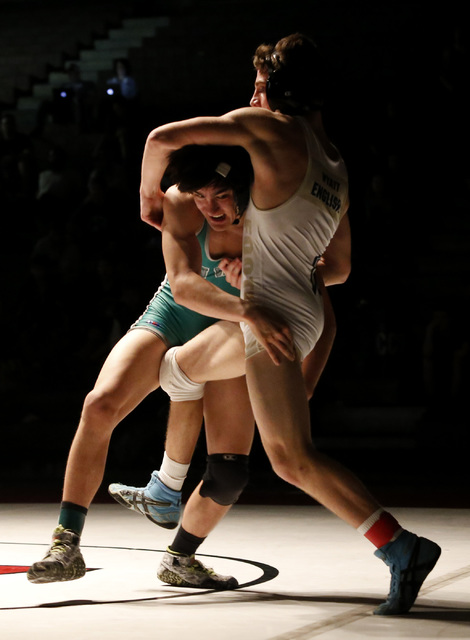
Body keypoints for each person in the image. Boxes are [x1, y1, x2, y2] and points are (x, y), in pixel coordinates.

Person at [137, 33, 441, 615]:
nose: (252, 96)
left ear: (277, 90)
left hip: (269, 317)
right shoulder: (336, 165)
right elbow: (340, 269)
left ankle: (400, 546)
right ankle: (169, 487)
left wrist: (149, 201)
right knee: (186, 373)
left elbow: (162, 138)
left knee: (286, 454)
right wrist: (259, 261)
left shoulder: (268, 130)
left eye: (259, 86)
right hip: (302, 310)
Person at [26, 143, 339, 589]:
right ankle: (66, 543)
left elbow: (323, 308)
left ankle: (180, 556)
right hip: (180, 312)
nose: (208, 208)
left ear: (246, 187)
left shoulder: (275, 220)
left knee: (229, 473)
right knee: (99, 404)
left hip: (232, 332)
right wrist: (247, 307)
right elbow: (187, 287)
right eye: (199, 196)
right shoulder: (180, 201)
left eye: (221, 195)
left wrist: (307, 382)